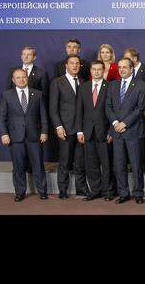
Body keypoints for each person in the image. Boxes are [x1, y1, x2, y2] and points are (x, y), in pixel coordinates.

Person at [0, 68, 49, 201]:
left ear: (27, 78)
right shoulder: (6, 95)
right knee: (18, 166)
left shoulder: (37, 94)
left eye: (24, 77)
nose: (21, 79)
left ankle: (42, 191)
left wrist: (44, 131)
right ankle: (20, 192)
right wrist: (4, 134)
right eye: (18, 78)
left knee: (38, 164)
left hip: (34, 135)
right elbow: (1, 117)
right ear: (13, 80)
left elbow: (43, 115)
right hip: (15, 137)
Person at [106, 58, 145, 204]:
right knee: (119, 165)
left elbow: (140, 108)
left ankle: (138, 194)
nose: (122, 69)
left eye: (125, 67)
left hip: (133, 131)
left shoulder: (140, 85)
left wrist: (125, 123)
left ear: (132, 69)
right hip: (117, 132)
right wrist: (116, 123)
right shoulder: (113, 85)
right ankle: (123, 193)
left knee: (136, 165)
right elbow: (108, 107)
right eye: (120, 67)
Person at [50, 54, 86, 198]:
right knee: (64, 161)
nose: (75, 66)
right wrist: (58, 126)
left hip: (81, 129)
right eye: (72, 63)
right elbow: (53, 108)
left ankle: (81, 189)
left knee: (80, 161)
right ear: (66, 65)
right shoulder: (57, 82)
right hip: (65, 128)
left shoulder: (83, 82)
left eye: (77, 63)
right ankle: (63, 190)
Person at [76, 61, 114, 201]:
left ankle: (108, 191)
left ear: (103, 71)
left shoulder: (110, 86)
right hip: (87, 132)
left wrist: (111, 130)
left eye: (99, 69)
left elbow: (113, 111)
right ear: (90, 71)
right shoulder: (83, 87)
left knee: (107, 164)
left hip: (104, 132)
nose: (97, 72)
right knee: (91, 164)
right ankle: (95, 191)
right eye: (94, 69)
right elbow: (79, 110)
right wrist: (79, 131)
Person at [124, 47, 145, 176]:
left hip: (144, 113)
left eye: (128, 58)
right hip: (128, 115)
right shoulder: (126, 72)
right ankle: (133, 164)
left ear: (135, 58)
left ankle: (144, 165)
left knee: (143, 141)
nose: (125, 61)